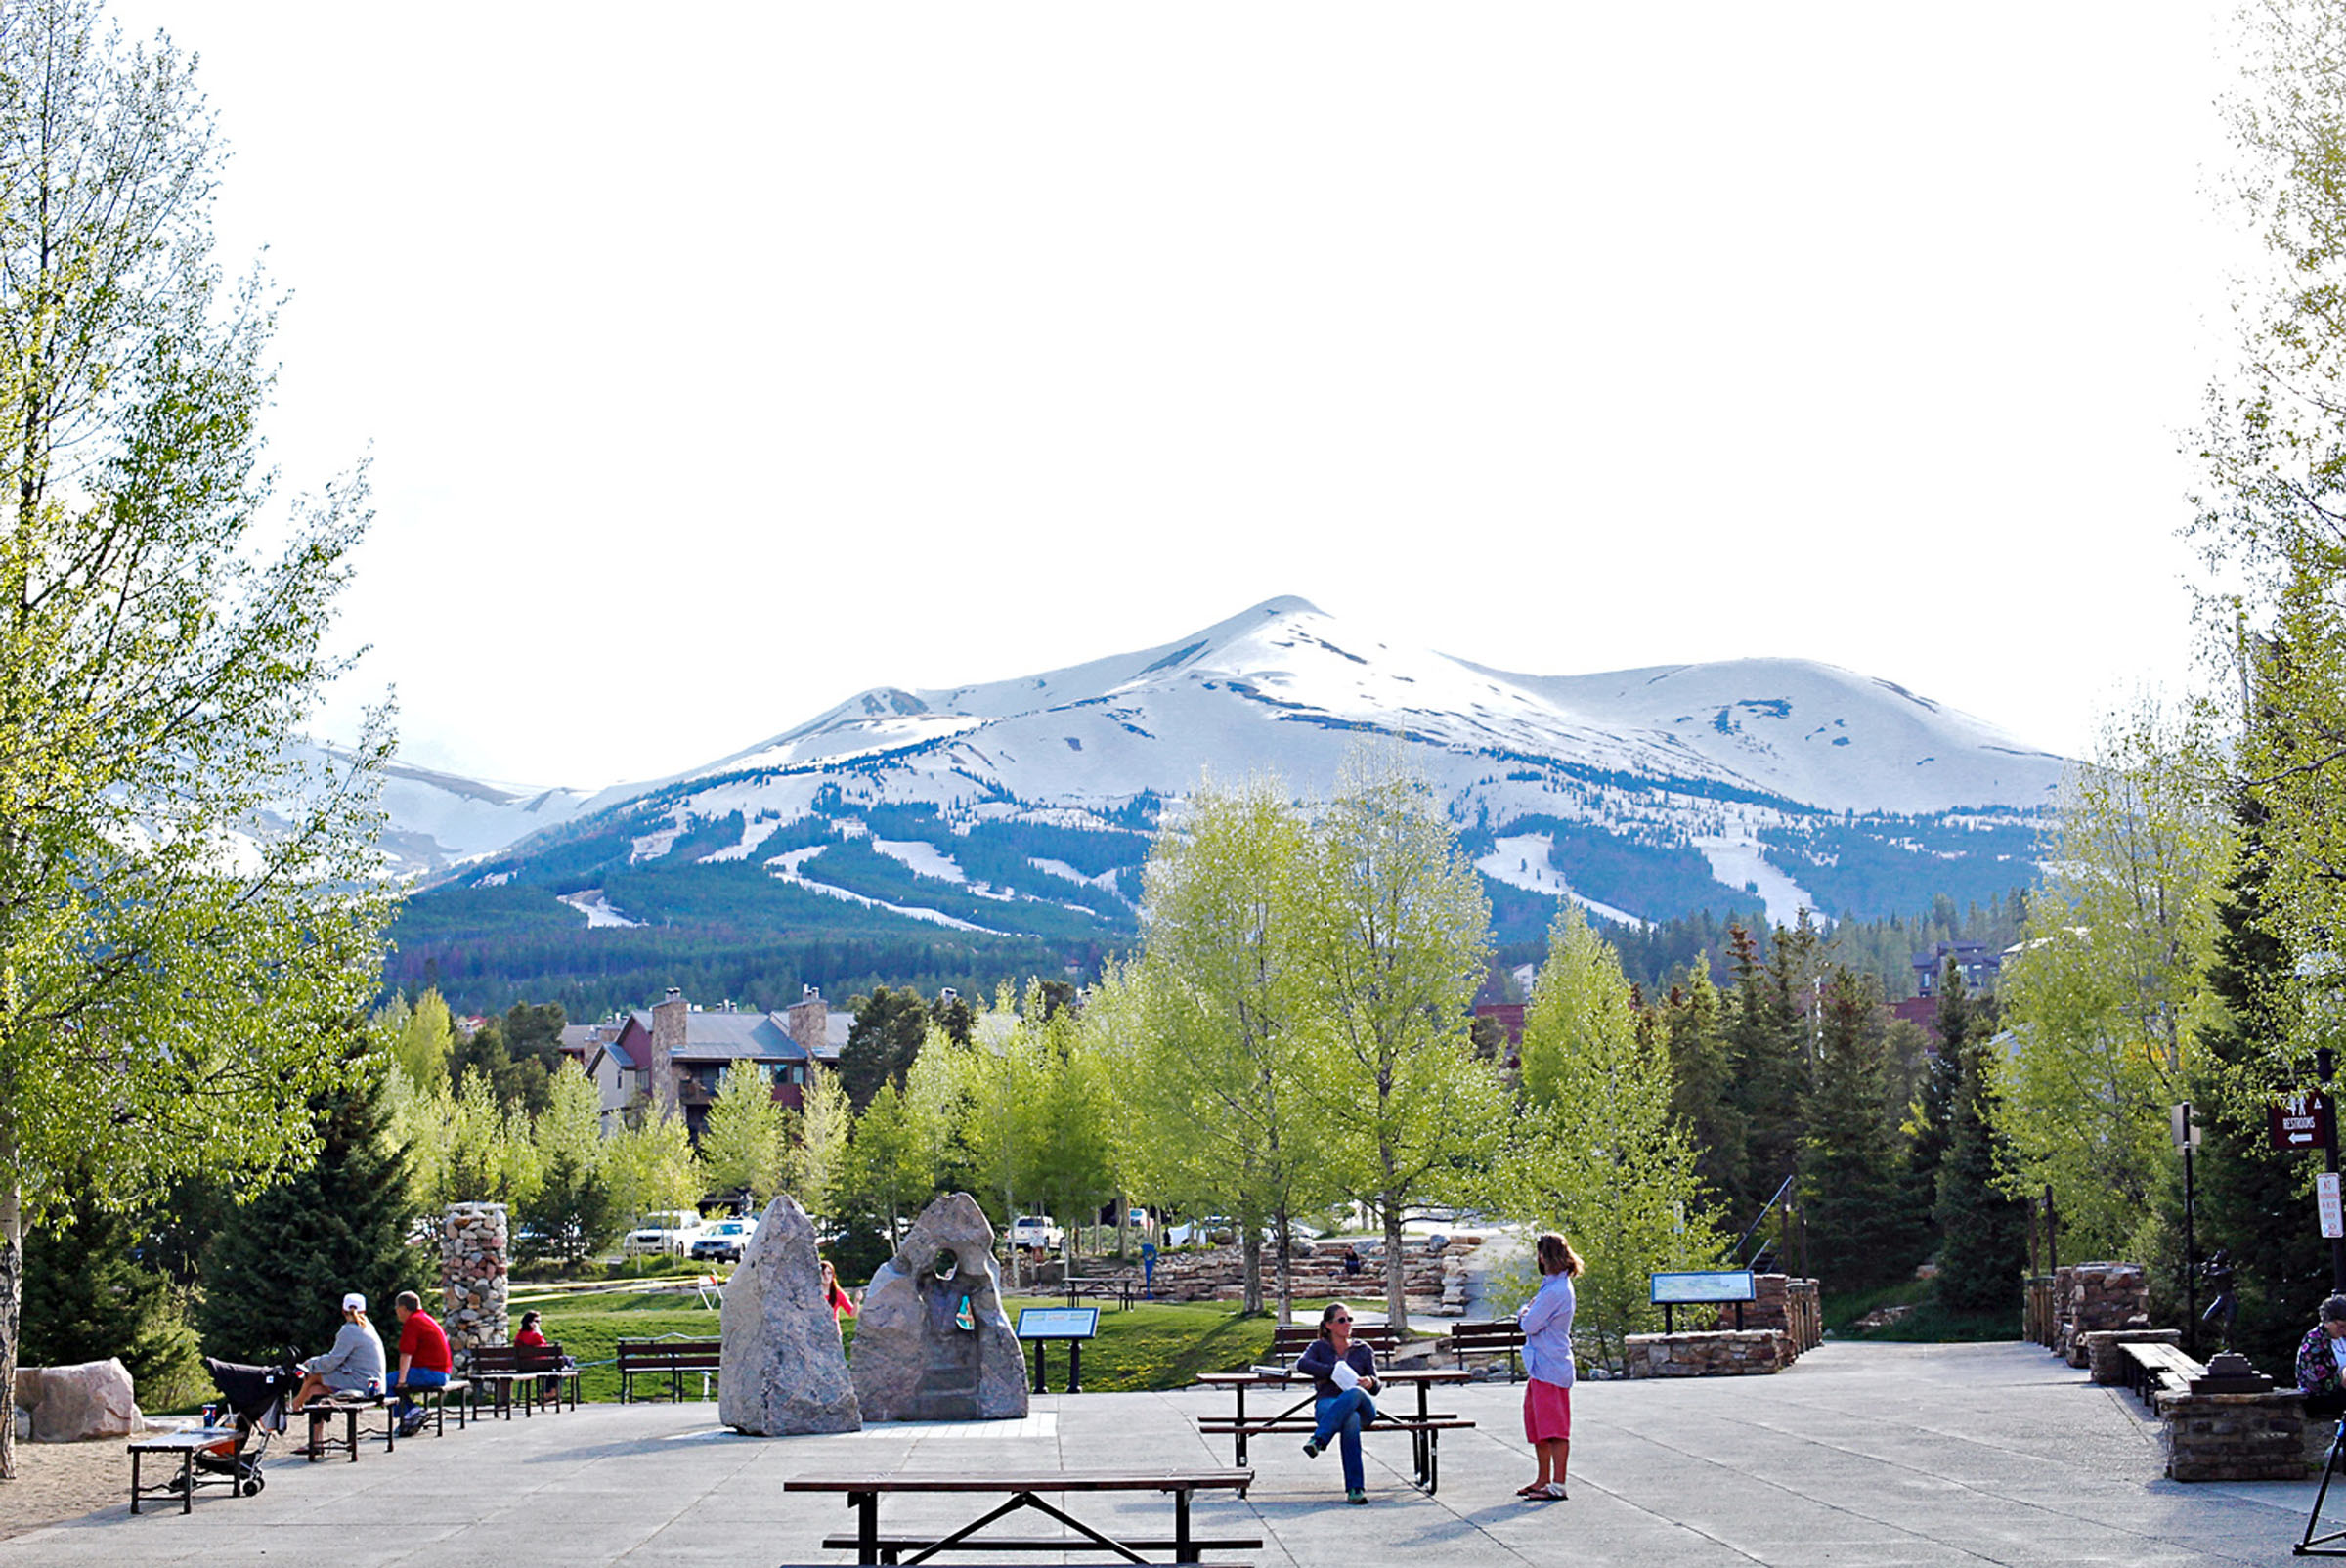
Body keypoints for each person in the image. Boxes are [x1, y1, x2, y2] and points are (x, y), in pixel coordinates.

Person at [1516, 1231, 1583, 1501]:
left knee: (1554, 1428)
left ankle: (1558, 1483)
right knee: (1538, 1427)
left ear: (1545, 1256)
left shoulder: (1556, 1290)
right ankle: (1543, 1478)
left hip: (1551, 1368)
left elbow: (1530, 1323)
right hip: (1540, 1367)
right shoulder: (1552, 1286)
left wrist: (1523, 1312)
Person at [1295, 1302, 1379, 1504]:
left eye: (1349, 1319)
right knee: (1350, 1419)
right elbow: (1302, 1364)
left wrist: (1371, 1381)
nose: (1347, 1324)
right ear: (1328, 1325)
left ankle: (1319, 1439)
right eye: (1342, 1320)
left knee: (1355, 1393)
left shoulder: (1363, 1349)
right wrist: (1332, 1371)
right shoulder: (1318, 1348)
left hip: (1363, 1405)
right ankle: (1355, 1489)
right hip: (1329, 1403)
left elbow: (1377, 1384)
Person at [286, 1291, 386, 1414]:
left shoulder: (349, 1330)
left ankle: (295, 1405)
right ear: (364, 1311)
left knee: (312, 1375)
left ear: (343, 1311)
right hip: (373, 1385)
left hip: (362, 1384)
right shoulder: (368, 1328)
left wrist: (310, 1363)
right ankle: (316, 1431)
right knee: (314, 1390)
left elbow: (332, 1362)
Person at [390, 1289, 454, 1436]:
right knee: (390, 1382)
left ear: (403, 1308)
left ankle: (410, 1414)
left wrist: (401, 1382)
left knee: (384, 1383)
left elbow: (406, 1354)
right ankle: (411, 1412)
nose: (396, 1311)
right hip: (442, 1373)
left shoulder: (412, 1322)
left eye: (397, 1308)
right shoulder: (426, 1318)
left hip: (430, 1373)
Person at [2298, 1295, 2346, 1417]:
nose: (2344, 1331)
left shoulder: (2343, 1339)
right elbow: (2317, 1383)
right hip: (2321, 1398)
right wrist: (2342, 1378)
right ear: (2327, 1321)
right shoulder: (2314, 1341)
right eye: (2341, 1326)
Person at [821, 1259, 857, 1323]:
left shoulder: (838, 1293)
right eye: (823, 1273)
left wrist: (857, 1301)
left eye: (829, 1273)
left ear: (833, 1275)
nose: (826, 1276)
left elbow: (852, 1313)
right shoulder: (812, 1294)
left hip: (833, 1330)